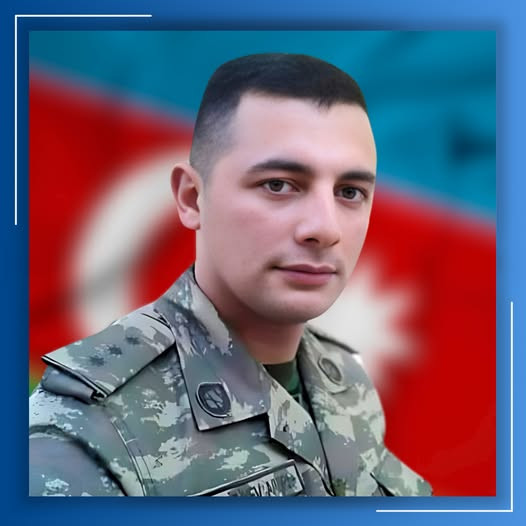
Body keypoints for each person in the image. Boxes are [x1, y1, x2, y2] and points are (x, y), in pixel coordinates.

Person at [29, 53, 432, 497]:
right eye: (278, 184)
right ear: (191, 198)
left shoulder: (346, 384)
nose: (325, 228)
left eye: (350, 192)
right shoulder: (85, 433)